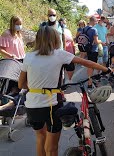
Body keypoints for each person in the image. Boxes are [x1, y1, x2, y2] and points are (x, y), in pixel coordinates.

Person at [18, 26, 108, 156]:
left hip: (31, 105)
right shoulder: (59, 54)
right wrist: (106, 69)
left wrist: (37, 87)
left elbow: (21, 84)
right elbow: (88, 63)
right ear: (55, 39)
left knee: (40, 138)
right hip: (50, 104)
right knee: (52, 148)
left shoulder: (29, 56)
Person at [83, 16, 105, 90]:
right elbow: (96, 41)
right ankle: (90, 82)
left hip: (87, 49)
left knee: (89, 65)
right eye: (96, 21)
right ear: (93, 21)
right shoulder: (94, 29)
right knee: (92, 66)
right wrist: (101, 41)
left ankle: (90, 81)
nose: (96, 23)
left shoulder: (84, 29)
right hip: (93, 49)